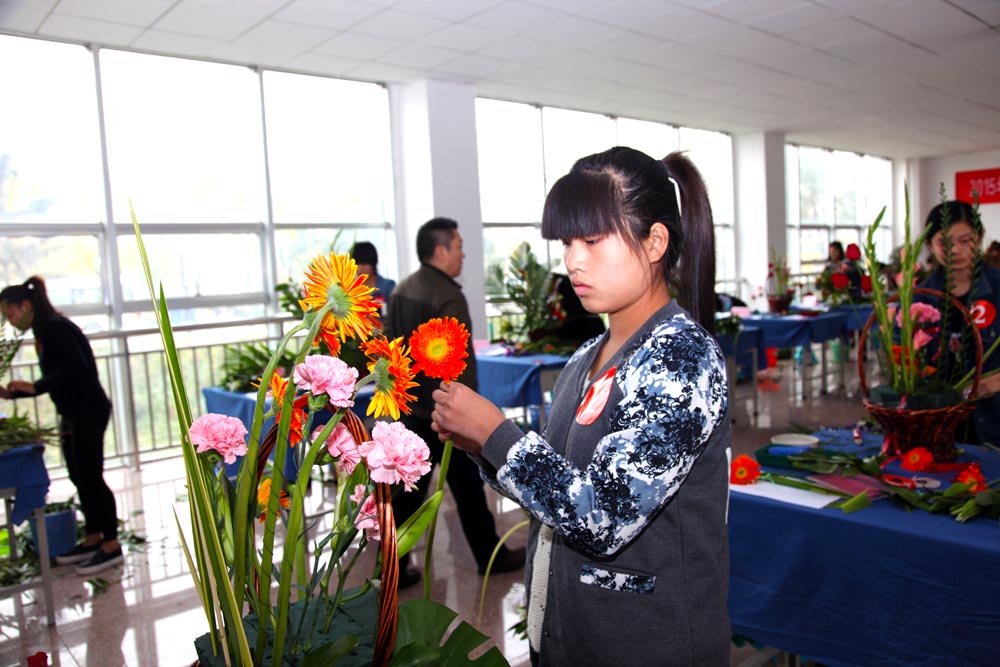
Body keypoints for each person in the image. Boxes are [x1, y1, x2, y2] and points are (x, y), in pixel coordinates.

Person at [429, 148, 731, 665]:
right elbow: (558, 488)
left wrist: (498, 433)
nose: (573, 261)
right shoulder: (587, 357)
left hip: (647, 644)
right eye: (568, 242)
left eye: (592, 240)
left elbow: (603, 516)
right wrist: (482, 443)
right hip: (574, 634)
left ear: (655, 242)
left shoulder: (680, 358)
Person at [385, 217, 525, 588]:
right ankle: (490, 556)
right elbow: (458, 364)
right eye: (459, 246)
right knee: (468, 490)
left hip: (410, 410)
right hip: (444, 412)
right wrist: (468, 412)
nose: (463, 254)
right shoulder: (447, 295)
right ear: (441, 249)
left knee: (407, 494)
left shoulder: (402, 290)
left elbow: (390, 349)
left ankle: (393, 567)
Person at [0, 276, 123, 575]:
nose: (11, 322)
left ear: (25, 305)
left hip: (88, 411)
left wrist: (36, 385)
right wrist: (15, 392)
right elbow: (58, 377)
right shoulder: (44, 330)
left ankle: (111, 545)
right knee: (78, 476)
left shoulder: (55, 327)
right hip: (72, 412)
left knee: (91, 477)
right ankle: (93, 537)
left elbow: (75, 368)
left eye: (11, 314)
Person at [917, 200, 1000, 445]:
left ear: (980, 237)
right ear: (930, 245)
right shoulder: (919, 299)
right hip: (938, 423)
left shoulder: (998, 289)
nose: (955, 250)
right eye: (944, 242)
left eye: (965, 240)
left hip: (993, 419)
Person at [350, 241, 396, 314]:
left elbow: (396, 313)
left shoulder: (388, 286)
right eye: (357, 264)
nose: (361, 268)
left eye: (365, 263)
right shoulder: (349, 289)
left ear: (373, 263)